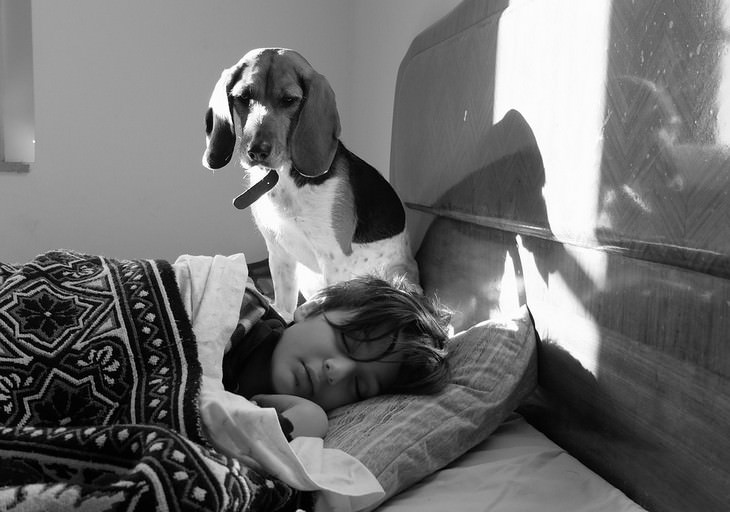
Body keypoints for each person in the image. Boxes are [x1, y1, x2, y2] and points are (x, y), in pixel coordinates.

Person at [221, 274, 451, 439]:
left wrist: (311, 419)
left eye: (359, 386)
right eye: (347, 341)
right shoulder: (237, 309)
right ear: (311, 309)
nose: (337, 372)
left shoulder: (304, 419)